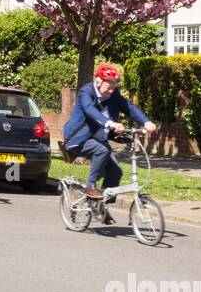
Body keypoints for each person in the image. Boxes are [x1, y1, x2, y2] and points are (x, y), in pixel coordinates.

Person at [62, 63, 158, 201]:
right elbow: (90, 111)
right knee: (102, 150)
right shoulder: (86, 92)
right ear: (98, 81)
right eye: (109, 87)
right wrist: (110, 123)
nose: (112, 91)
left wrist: (146, 122)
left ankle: (102, 206)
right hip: (76, 139)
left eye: (114, 87)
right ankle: (90, 186)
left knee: (115, 173)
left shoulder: (113, 94)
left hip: (97, 139)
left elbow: (128, 107)